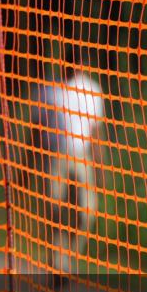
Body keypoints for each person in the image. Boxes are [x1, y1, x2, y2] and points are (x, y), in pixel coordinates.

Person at [27, 51, 105, 278]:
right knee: (55, 210)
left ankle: (69, 256)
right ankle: (59, 264)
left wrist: (100, 169)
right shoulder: (47, 90)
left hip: (82, 157)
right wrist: (27, 164)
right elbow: (35, 132)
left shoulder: (92, 91)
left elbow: (96, 133)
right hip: (54, 157)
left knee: (85, 212)